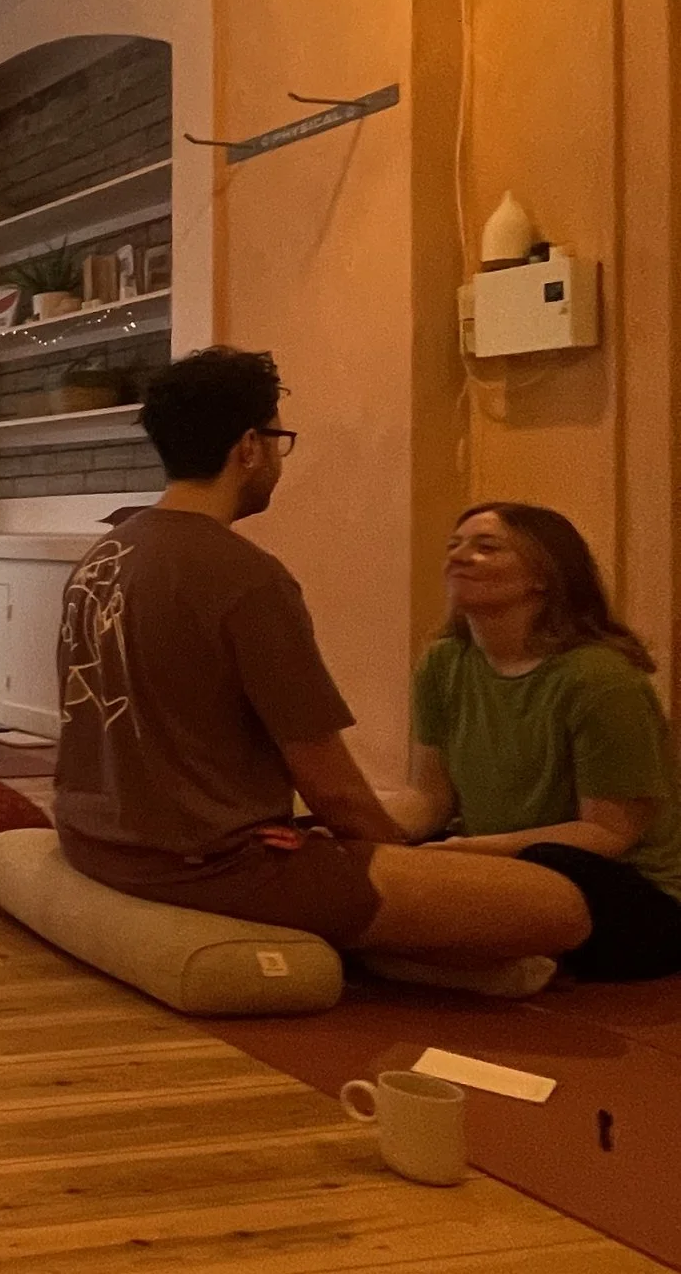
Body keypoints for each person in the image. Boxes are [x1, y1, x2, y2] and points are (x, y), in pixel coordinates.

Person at [54, 346, 589, 984]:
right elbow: (330, 785)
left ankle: (391, 943)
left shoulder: (104, 553)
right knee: (557, 903)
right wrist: (389, 863)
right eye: (279, 441)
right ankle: (391, 947)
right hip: (212, 865)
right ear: (249, 446)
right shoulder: (243, 576)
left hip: (92, 839)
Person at [386, 503, 681, 982]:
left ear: (544, 576)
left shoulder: (599, 679)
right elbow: (429, 799)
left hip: (630, 893)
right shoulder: (443, 663)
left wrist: (463, 854)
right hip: (499, 862)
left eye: (486, 547)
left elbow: (607, 833)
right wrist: (357, 830)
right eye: (454, 546)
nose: (460, 557)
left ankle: (452, 959)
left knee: (543, 863)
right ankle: (467, 963)